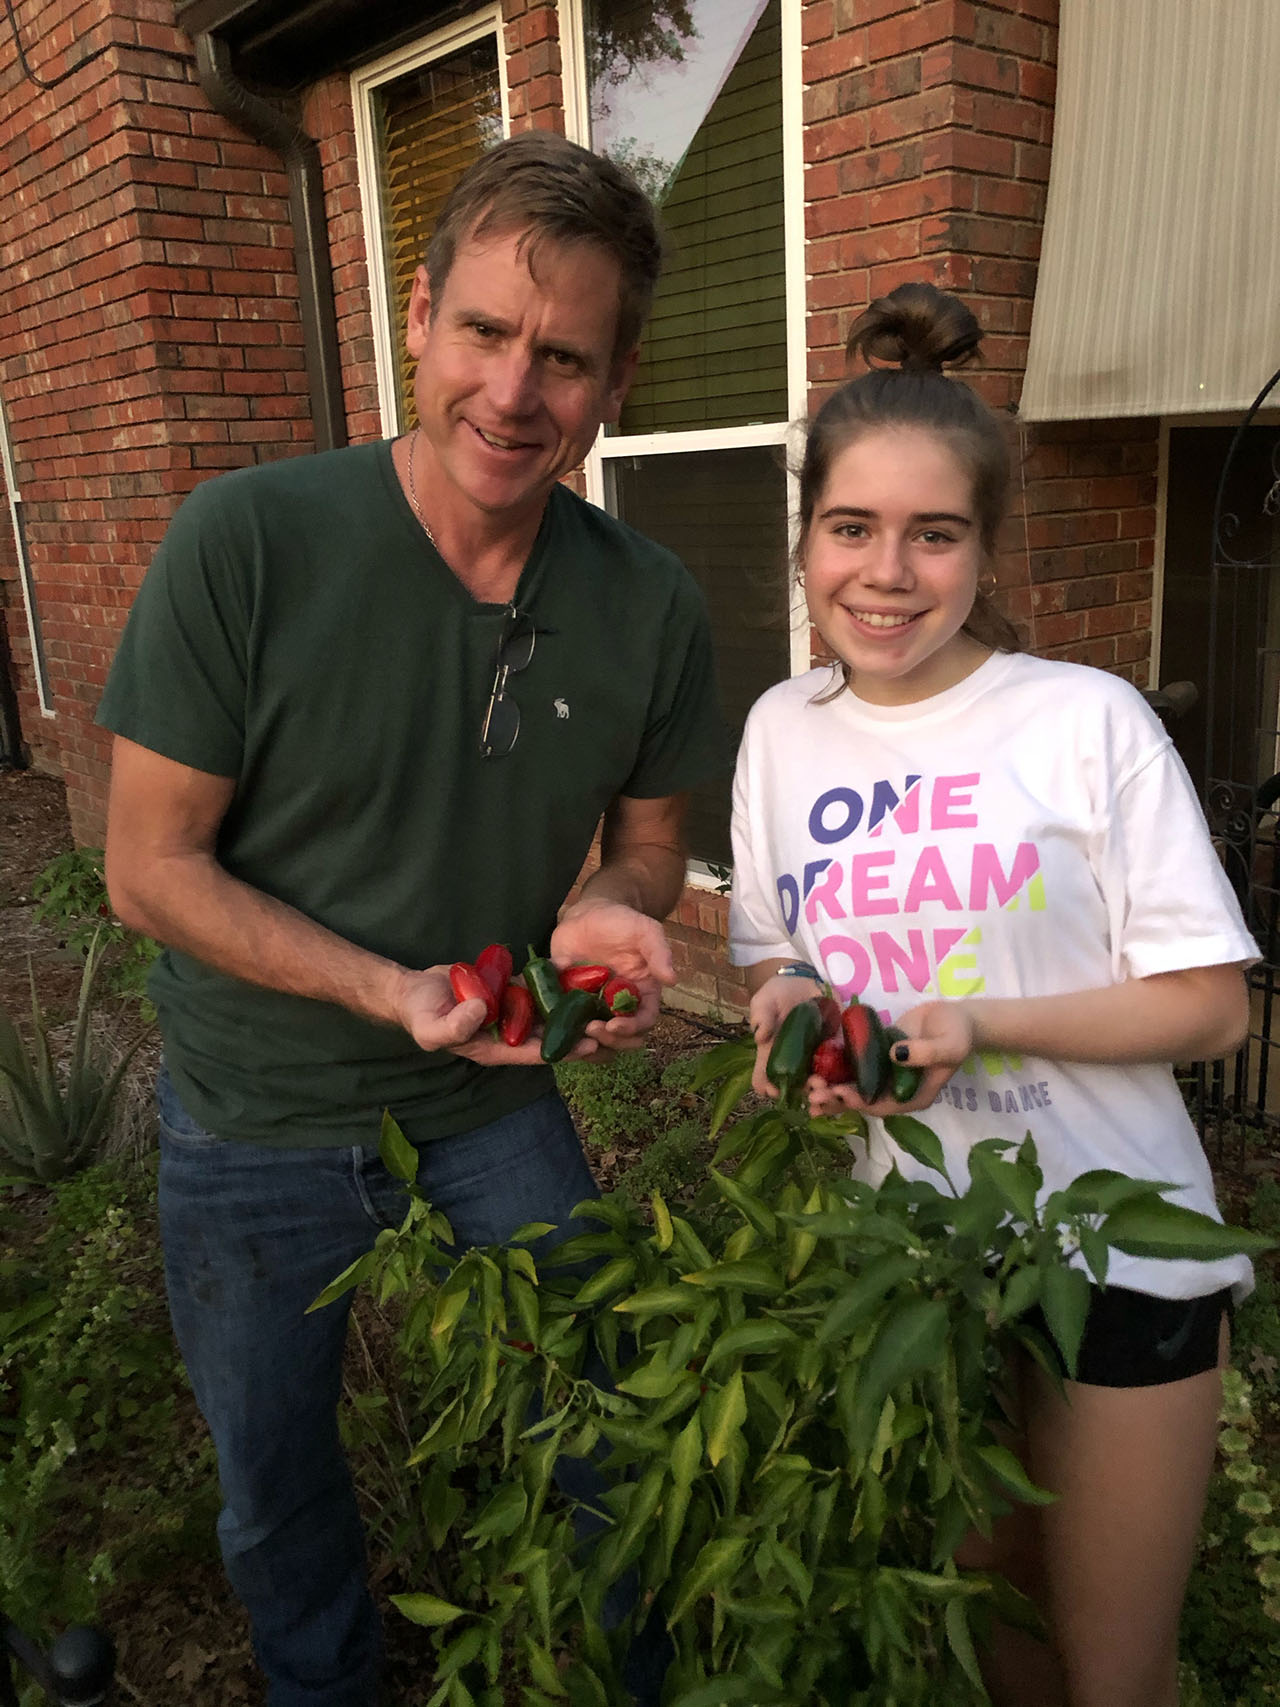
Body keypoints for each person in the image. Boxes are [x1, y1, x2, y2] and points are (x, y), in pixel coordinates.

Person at [97, 132, 726, 1707]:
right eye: (487, 334)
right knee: (276, 1485)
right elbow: (148, 869)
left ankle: (629, 1682)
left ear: (616, 379)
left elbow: (647, 853)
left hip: (487, 1090)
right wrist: (383, 989)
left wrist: (605, 913)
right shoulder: (247, 542)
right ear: (421, 315)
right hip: (253, 1111)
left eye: (565, 358)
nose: (516, 393)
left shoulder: (646, 601)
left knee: (606, 1424)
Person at [728, 282, 1255, 1707]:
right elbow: (777, 956)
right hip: (917, 1264)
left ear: (979, 549)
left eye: (933, 534)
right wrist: (789, 1023)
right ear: (805, 543)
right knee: (994, 1652)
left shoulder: (1083, 720)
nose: (887, 572)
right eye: (853, 529)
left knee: (1112, 1676)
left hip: (1116, 1255)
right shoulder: (782, 733)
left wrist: (982, 1023)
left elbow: (1213, 1007)